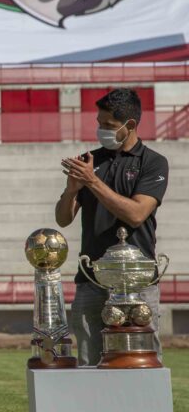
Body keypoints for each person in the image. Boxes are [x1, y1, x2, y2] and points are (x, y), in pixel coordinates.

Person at [56, 88, 168, 366]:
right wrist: (72, 190)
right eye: (99, 122)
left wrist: (92, 183)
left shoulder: (152, 162)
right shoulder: (89, 161)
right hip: (92, 280)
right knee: (88, 362)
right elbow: (63, 218)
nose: (101, 130)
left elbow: (137, 214)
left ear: (130, 125)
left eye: (108, 125)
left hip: (138, 282)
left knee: (143, 360)